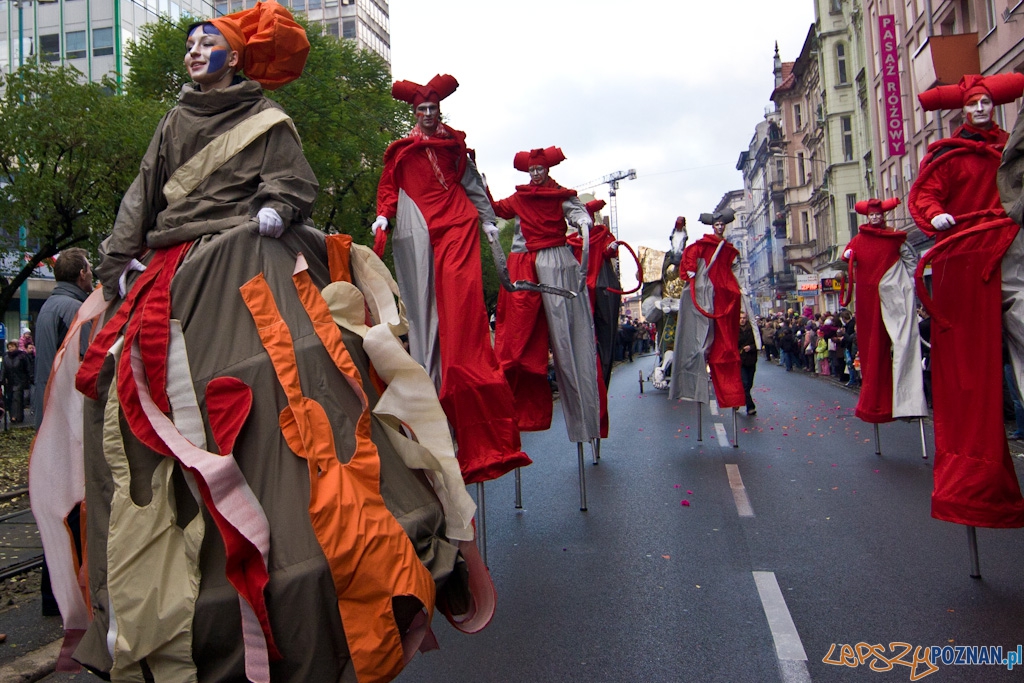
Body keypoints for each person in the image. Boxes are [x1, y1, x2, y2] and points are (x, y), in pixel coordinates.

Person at [40, 6, 479, 679]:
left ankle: (333, 555)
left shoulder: (268, 119)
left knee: (300, 365)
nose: (193, 52)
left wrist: (277, 203)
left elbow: (291, 177)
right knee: (117, 384)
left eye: (206, 43)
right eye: (189, 43)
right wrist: (118, 260)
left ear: (235, 56)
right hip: (174, 265)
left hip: (252, 247)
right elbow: (141, 195)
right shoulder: (173, 121)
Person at [372, 73, 530, 484]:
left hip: (458, 223)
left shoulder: (456, 147)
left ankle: (472, 396)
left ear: (440, 110)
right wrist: (384, 216)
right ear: (415, 113)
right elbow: (389, 187)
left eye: (433, 108)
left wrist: (488, 220)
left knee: (462, 311)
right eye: (422, 109)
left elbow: (472, 185)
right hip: (421, 229)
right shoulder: (401, 152)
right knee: (425, 314)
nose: (428, 114)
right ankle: (434, 403)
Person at [910, 73, 1024, 528]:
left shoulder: (1010, 149)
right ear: (962, 109)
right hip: (965, 259)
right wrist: (936, 214)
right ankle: (974, 479)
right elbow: (925, 195)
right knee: (969, 372)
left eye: (985, 102)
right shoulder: (948, 155)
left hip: (1009, 248)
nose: (980, 109)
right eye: (973, 103)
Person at [491, 146, 600, 445]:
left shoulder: (560, 195)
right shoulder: (521, 197)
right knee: (517, 344)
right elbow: (496, 209)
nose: (536, 173)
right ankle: (515, 415)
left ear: (547, 169)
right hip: (524, 266)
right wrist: (479, 186)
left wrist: (583, 221)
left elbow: (576, 211)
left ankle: (585, 422)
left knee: (569, 340)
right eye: (532, 170)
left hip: (557, 261)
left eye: (539, 169)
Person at [33, 248, 92, 618]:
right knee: (75, 503)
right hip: (69, 416)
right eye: (90, 269)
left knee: (59, 503)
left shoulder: (48, 308)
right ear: (82, 274)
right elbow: (89, 363)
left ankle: (52, 594)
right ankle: (69, 592)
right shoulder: (75, 310)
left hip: (49, 414)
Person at [840, 197, 927, 423]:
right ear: (867, 217)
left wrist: (908, 281)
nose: (875, 218)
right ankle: (877, 403)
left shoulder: (894, 237)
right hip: (869, 297)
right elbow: (848, 255)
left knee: (904, 341)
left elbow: (910, 259)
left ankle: (908, 402)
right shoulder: (859, 240)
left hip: (894, 292)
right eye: (872, 215)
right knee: (872, 348)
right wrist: (848, 256)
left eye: (878, 214)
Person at [670, 208, 759, 408]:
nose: (719, 227)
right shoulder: (701, 246)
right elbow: (689, 255)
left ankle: (733, 394)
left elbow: (734, 267)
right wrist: (690, 269)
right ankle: (692, 383)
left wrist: (739, 285)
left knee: (724, 343)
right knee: (700, 340)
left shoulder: (727, 249)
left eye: (722, 224)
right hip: (704, 292)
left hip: (723, 294)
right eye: (717, 224)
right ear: (713, 226)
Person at [1, 341, 30, 422]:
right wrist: (2, 380)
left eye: (12, 347)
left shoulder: (22, 356)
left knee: (16, 398)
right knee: (10, 399)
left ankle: (15, 416)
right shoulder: (6, 357)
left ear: (16, 347)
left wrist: (29, 378)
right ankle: (15, 416)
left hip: (20, 380)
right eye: (9, 347)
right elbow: (3, 369)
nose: (11, 349)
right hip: (9, 382)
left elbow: (27, 368)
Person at [738, 311, 757, 415]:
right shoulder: (735, 330)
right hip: (741, 360)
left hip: (751, 360)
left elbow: (758, 342)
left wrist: (751, 347)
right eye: (740, 318)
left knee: (749, 384)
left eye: (744, 318)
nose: (742, 320)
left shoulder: (752, 329)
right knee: (744, 383)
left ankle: (739, 399)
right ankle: (750, 407)